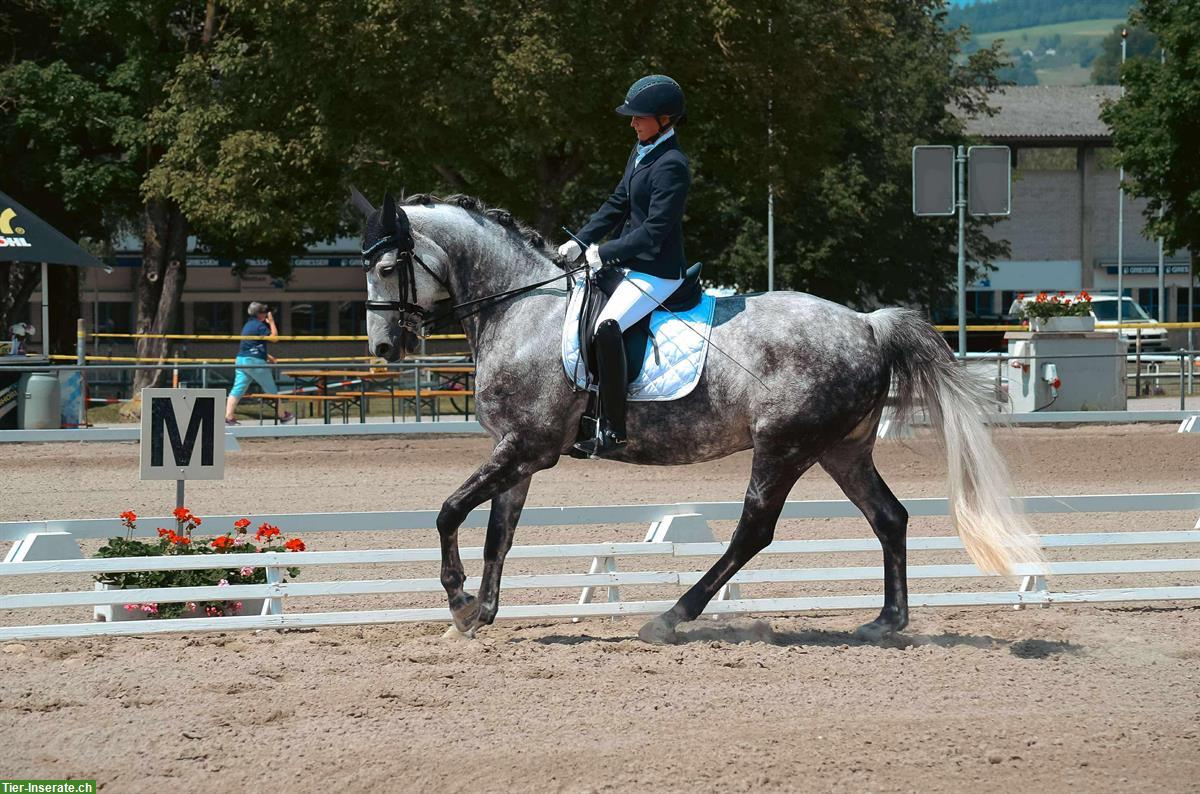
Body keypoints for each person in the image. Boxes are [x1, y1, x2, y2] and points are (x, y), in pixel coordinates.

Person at [558, 74, 691, 457]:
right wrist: (580, 240)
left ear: (664, 119)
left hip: (656, 271)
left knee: (606, 327)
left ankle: (612, 427)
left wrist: (606, 251)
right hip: (629, 264)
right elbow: (617, 204)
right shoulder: (642, 151)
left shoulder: (672, 165)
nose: (632, 123)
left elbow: (653, 232)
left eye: (639, 117)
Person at [225, 302, 292, 425]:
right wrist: (271, 322)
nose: (266, 314)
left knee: (237, 389)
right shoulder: (259, 326)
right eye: (264, 312)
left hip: (241, 360)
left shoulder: (248, 325)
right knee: (271, 389)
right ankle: (282, 415)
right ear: (260, 314)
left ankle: (228, 416)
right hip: (254, 362)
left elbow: (251, 344)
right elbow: (274, 338)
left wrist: (267, 356)